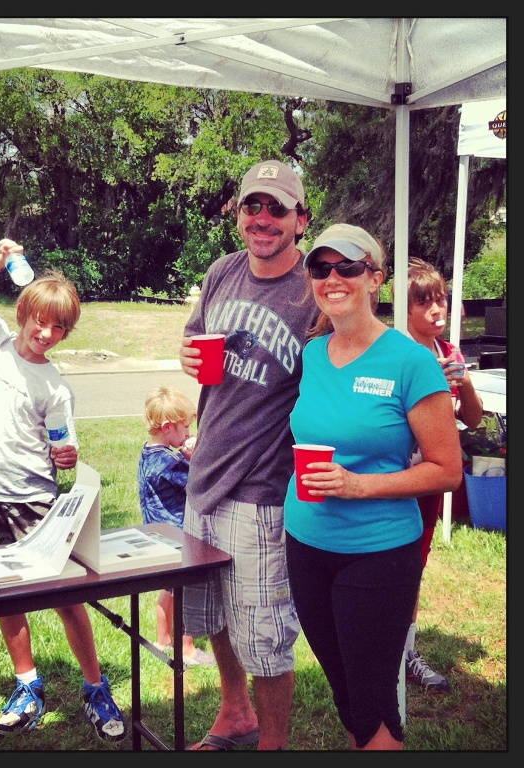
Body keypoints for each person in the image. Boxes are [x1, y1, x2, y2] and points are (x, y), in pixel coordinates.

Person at [283, 223, 463, 750]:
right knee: (349, 696)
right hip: (306, 544)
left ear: (376, 279)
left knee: (369, 703)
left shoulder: (409, 361)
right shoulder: (313, 354)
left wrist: (358, 485)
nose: (333, 278)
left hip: (378, 554)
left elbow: (447, 470)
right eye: (321, 268)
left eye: (348, 267)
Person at [0, 243, 126, 742]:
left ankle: (95, 685)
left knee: (66, 596)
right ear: (23, 312)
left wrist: (66, 456)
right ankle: (28, 684)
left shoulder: (55, 387)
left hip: (33, 500)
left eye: (58, 328)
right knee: (5, 593)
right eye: (39, 321)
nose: (45, 334)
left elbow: (62, 446)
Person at [179, 159, 319, 751]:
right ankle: (235, 711)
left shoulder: (316, 289)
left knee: (264, 630)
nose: (262, 220)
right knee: (211, 614)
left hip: (262, 487)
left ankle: (274, 744)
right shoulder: (221, 272)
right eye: (252, 207)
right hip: (204, 471)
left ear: (300, 220)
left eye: (277, 209)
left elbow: (345, 362)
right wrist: (189, 356)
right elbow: (194, 336)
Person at [404, 257, 483, 691]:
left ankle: (406, 651)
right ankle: (383, 648)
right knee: (390, 565)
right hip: (398, 480)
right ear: (407, 309)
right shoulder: (396, 352)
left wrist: (464, 382)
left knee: (416, 565)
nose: (437, 310)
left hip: (431, 480)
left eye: (442, 301)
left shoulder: (448, 353)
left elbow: (473, 420)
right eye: (425, 303)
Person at [137, 385, 216, 669]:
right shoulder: (170, 463)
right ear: (168, 427)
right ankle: (187, 649)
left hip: (158, 533)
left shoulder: (150, 453)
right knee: (187, 591)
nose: (188, 433)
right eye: (185, 428)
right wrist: (194, 459)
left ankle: (163, 639)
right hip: (178, 535)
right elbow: (198, 484)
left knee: (169, 589)